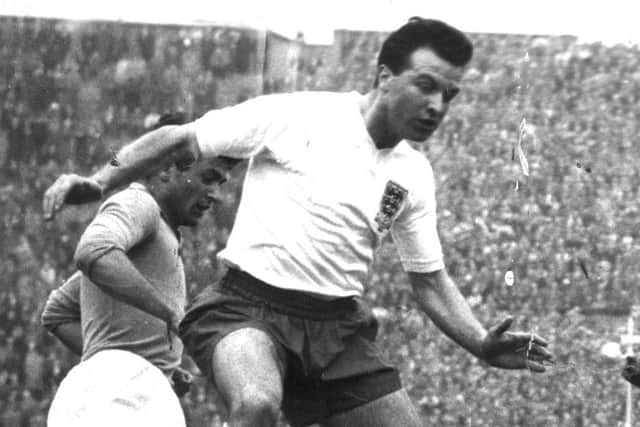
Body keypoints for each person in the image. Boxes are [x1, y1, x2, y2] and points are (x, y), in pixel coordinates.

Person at [43, 18, 554, 427]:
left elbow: (429, 281)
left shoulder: (414, 176)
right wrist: (99, 182)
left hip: (336, 328)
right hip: (247, 310)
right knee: (257, 403)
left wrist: (482, 343)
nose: (437, 105)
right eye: (425, 85)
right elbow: (181, 140)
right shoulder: (298, 117)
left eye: (449, 94)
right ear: (383, 77)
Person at [41, 113, 228, 427]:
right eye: (208, 177)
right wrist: (169, 315)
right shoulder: (141, 205)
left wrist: (155, 364)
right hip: (121, 393)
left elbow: (57, 312)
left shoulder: (157, 235)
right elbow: (93, 250)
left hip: (123, 391)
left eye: (221, 183)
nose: (216, 194)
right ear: (167, 168)